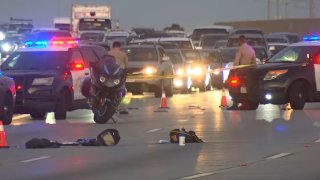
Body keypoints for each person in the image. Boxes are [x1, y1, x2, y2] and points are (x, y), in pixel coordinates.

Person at [227, 35, 256, 110]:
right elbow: (254, 62)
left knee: (234, 86)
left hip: (240, 71)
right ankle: (248, 101)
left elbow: (236, 62)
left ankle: (235, 103)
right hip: (249, 71)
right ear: (245, 40)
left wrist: (234, 70)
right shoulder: (251, 49)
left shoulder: (240, 49)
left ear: (240, 41)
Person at [108, 41, 129, 114]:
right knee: (122, 90)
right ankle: (122, 108)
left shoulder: (108, 53)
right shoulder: (123, 54)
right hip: (119, 75)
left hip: (108, 75)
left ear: (113, 46)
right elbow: (126, 67)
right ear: (119, 47)